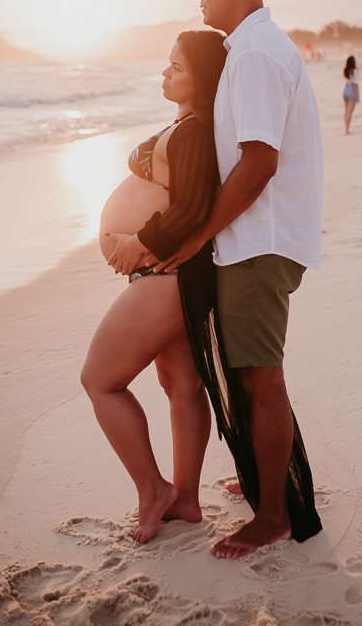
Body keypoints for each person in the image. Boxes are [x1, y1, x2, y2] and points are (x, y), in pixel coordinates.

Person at [151, 0, 323, 559]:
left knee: (259, 376)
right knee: (251, 370)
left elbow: (259, 162)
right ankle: (263, 478)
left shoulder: (252, 53)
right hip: (261, 235)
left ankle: (274, 515)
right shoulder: (253, 48)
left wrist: (199, 234)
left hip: (260, 239)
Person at [80, 30, 226, 544]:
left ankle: (152, 490)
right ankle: (185, 500)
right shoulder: (190, 127)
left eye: (176, 67)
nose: (165, 73)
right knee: (181, 387)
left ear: (201, 78)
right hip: (171, 274)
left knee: (99, 381)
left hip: (166, 274)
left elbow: (190, 208)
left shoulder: (193, 132)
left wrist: (139, 242)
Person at [342, 55, 360, 134]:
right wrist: (358, 96)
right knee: (350, 112)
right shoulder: (355, 71)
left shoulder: (346, 70)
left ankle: (346, 128)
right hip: (352, 89)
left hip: (346, 89)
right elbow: (356, 84)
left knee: (346, 111)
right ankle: (347, 130)